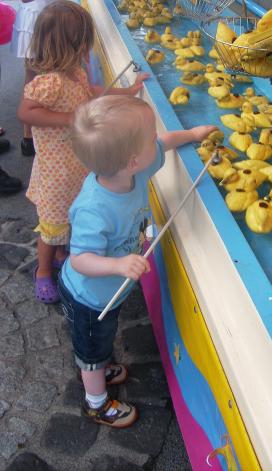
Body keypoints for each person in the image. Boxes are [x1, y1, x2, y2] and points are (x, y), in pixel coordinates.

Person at [57, 94, 215, 427]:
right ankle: (96, 402)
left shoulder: (134, 171)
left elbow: (166, 143)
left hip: (108, 293)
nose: (155, 139)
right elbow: (80, 258)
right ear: (132, 160)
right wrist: (117, 265)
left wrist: (195, 133)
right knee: (91, 348)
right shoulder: (94, 209)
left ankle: (100, 364)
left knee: (103, 338)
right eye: (148, 137)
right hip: (88, 297)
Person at [17, 0, 147, 304]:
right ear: (71, 44)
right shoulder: (50, 83)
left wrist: (128, 92)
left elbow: (95, 92)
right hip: (55, 173)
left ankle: (64, 252)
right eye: (83, 43)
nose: (86, 50)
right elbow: (25, 111)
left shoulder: (75, 72)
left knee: (71, 217)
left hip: (76, 166)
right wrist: (68, 119)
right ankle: (44, 271)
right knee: (52, 227)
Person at [11, 0, 56, 157]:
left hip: (39, 13)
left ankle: (29, 137)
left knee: (33, 76)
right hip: (40, 15)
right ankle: (35, 134)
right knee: (47, 77)